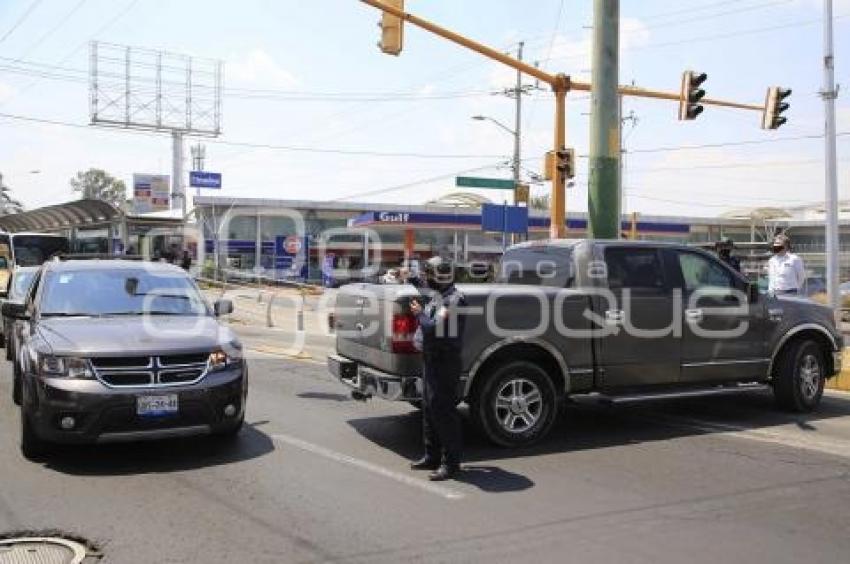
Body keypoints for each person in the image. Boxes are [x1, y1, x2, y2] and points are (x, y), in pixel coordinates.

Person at [408, 256, 466, 481]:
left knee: (443, 413)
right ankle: (431, 455)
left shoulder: (453, 300)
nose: (425, 279)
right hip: (431, 360)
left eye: (428, 275)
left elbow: (432, 328)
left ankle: (451, 463)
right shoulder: (438, 295)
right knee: (429, 409)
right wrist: (410, 278)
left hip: (445, 363)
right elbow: (422, 287)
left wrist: (419, 313)